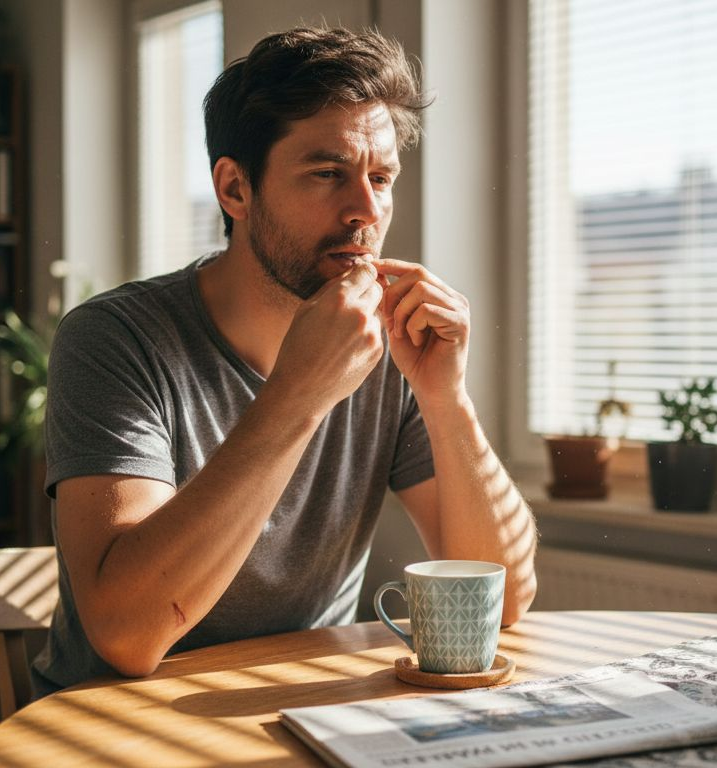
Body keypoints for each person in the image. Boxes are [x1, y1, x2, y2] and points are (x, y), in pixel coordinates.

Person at [31, 26, 538, 697]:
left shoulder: (390, 347)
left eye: (381, 178)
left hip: (301, 705)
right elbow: (127, 635)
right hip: (113, 720)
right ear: (235, 190)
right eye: (328, 174)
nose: (366, 211)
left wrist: (446, 396)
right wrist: (300, 392)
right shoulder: (115, 339)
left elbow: (504, 602)